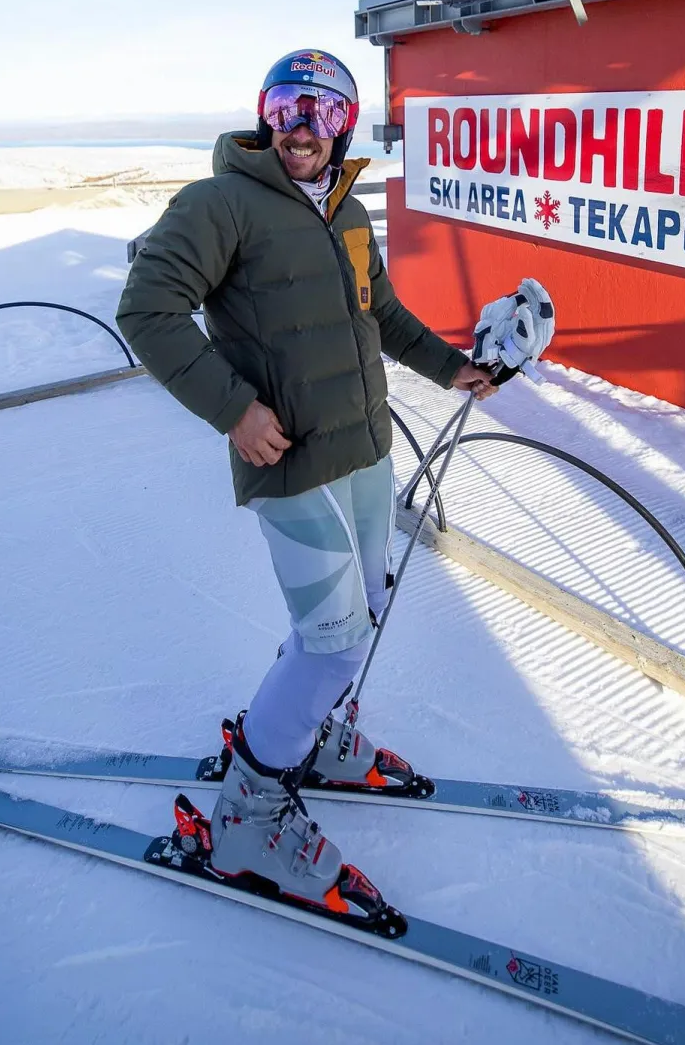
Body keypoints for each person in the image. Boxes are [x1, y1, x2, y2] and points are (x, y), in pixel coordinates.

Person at [116, 48, 496, 916]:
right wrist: (233, 408)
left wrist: (453, 369)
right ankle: (247, 815)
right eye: (287, 107)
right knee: (329, 638)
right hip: (286, 460)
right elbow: (147, 307)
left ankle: (316, 739)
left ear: (345, 126)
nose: (301, 128)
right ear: (263, 114)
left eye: (323, 113)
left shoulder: (348, 210)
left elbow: (383, 314)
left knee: (361, 614)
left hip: (362, 451)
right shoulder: (221, 203)